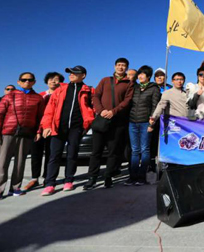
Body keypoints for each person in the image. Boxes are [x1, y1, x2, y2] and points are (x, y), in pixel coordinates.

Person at [40, 66, 95, 195]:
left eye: (75, 73)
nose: (71, 75)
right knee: (54, 155)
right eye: (70, 73)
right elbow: (50, 109)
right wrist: (46, 126)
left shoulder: (88, 90)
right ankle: (50, 183)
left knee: (72, 155)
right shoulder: (60, 89)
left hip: (76, 128)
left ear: (83, 75)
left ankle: (68, 181)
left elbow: (92, 108)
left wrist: (87, 125)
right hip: (58, 127)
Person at [84, 58, 134, 190]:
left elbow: (127, 101)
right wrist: (101, 111)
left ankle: (108, 176)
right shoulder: (105, 80)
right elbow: (95, 96)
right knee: (96, 151)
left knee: (113, 151)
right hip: (102, 120)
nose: (121, 67)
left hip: (117, 122)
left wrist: (113, 111)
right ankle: (92, 178)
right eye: (118, 65)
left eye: (123, 66)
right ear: (114, 66)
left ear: (127, 68)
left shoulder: (129, 83)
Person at [0, 72, 45, 197]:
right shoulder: (9, 96)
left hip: (27, 132)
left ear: (34, 82)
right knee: (2, 161)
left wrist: (38, 131)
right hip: (8, 132)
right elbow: (0, 114)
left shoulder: (38, 98)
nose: (27, 82)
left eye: (30, 80)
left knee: (20, 161)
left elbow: (40, 117)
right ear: (18, 81)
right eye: (24, 80)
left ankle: (15, 188)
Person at [23, 72, 65, 191]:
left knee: (51, 154)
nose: (53, 81)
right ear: (46, 81)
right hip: (38, 128)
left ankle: (48, 177)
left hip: (54, 128)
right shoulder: (40, 96)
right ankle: (34, 178)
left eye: (56, 80)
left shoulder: (63, 96)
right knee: (36, 153)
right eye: (51, 79)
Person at [125, 65, 161, 186]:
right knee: (135, 150)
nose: (140, 76)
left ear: (149, 76)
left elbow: (155, 105)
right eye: (139, 74)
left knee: (145, 149)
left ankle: (141, 177)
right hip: (132, 122)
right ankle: (132, 177)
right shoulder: (134, 87)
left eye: (143, 74)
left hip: (146, 122)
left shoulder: (154, 88)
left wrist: (152, 122)